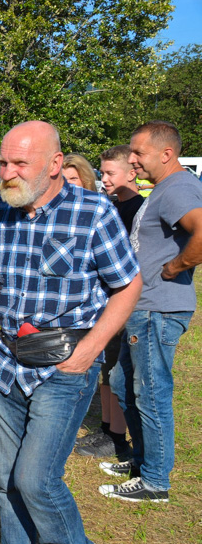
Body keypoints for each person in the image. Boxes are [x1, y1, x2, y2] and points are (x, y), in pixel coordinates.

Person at [0, 121, 141, 544]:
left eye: (19, 163)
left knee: (36, 480)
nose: (6, 173)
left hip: (64, 367)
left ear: (55, 165)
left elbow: (128, 286)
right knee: (8, 479)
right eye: (2, 162)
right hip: (5, 365)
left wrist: (89, 351)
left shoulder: (94, 211)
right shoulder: (0, 210)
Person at [99, 121, 202, 503]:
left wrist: (175, 268)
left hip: (158, 309)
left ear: (166, 154)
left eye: (138, 153)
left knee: (152, 392)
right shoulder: (165, 189)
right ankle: (142, 462)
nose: (133, 159)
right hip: (143, 309)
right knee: (126, 385)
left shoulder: (179, 188)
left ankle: (155, 481)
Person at [75, 144, 143, 458]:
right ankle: (107, 429)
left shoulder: (138, 211)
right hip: (101, 302)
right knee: (106, 370)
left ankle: (118, 437)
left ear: (133, 173)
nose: (104, 179)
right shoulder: (110, 206)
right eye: (102, 173)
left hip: (123, 305)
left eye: (110, 173)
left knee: (118, 373)